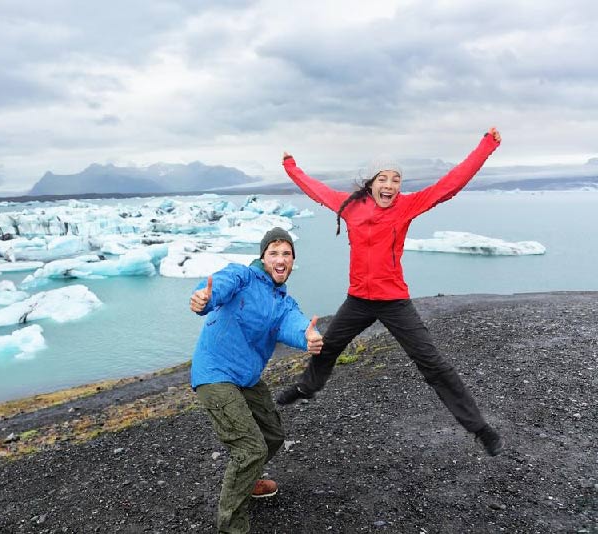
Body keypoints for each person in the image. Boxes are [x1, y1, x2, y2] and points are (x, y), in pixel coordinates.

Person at [277, 128, 505, 457]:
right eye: (383, 178)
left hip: (394, 300)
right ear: (370, 182)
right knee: (326, 347)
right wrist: (291, 167)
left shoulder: (407, 206)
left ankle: (480, 429)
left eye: (396, 179)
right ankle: (307, 387)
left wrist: (487, 145)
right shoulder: (350, 206)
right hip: (358, 299)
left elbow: (450, 184)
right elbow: (316, 190)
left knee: (433, 363)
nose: (389, 185)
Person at [190, 227, 324, 534]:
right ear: (263, 257)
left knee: (272, 436)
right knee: (250, 450)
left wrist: (309, 337)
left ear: (292, 261)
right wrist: (205, 298)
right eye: (274, 252)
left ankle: (248, 482)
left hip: (246, 377)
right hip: (215, 373)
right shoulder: (243, 277)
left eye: (286, 254)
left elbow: (295, 324)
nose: (280, 259)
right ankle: (231, 527)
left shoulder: (283, 302)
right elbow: (220, 285)